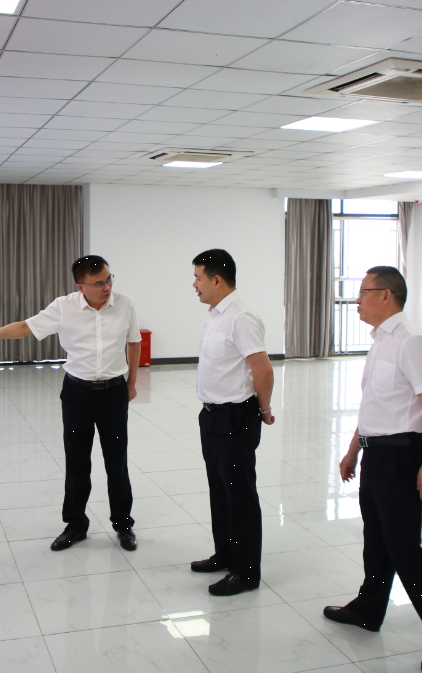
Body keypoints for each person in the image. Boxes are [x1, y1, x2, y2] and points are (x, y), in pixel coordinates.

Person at [323, 266, 422, 673]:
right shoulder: (381, 340)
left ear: (385, 295)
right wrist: (353, 450)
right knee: (377, 540)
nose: (357, 299)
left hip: (403, 458)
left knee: (405, 549)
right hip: (376, 454)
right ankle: (368, 609)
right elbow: (376, 403)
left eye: (363, 292)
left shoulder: (411, 341)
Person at [0, 255, 141, 552]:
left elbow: (134, 342)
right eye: (98, 283)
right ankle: (75, 524)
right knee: (77, 461)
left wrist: (131, 383)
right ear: (81, 286)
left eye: (109, 279)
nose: (107, 287)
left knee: (116, 461)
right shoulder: (64, 306)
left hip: (113, 392)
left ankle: (123, 524)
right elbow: (26, 327)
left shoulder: (125, 303)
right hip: (77, 393)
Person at [188, 249, 275, 596]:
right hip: (211, 415)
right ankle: (225, 553)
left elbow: (263, 371)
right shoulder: (215, 314)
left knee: (239, 496)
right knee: (219, 491)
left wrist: (263, 409)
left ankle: (245, 572)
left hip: (236, 417)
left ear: (216, 280)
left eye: (198, 277)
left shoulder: (241, 316)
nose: (194, 284)